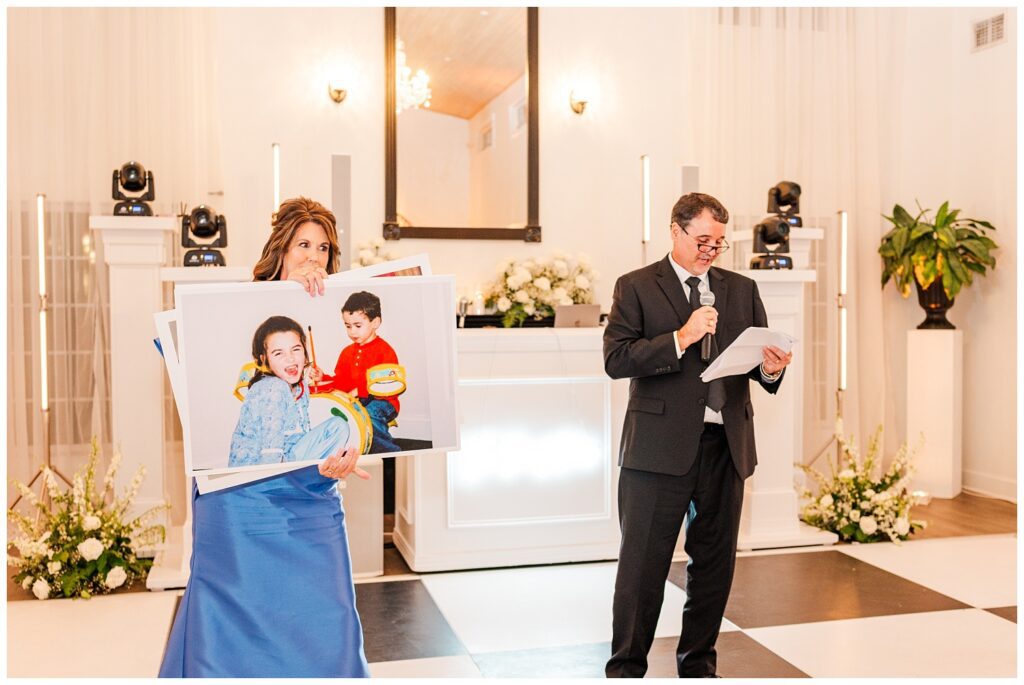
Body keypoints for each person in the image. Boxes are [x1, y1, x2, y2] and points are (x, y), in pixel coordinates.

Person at [159, 197, 371, 678]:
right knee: (233, 615)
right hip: (240, 494)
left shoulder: (332, 325)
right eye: (303, 245)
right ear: (280, 251)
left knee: (326, 612)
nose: (314, 256)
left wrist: (342, 452)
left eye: (323, 248)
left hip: (310, 492)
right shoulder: (235, 312)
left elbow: (333, 412)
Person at [603, 193, 793, 678]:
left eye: (719, 242)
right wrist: (680, 339)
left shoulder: (741, 288)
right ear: (676, 230)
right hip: (656, 449)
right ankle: (626, 667)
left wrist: (771, 368)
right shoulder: (637, 286)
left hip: (724, 446)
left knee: (713, 567)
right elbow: (617, 360)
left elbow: (756, 360)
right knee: (643, 568)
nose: (711, 250)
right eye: (703, 240)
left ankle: (698, 665)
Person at [228, 316, 350, 468]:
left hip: (290, 457)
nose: (290, 358)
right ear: (264, 359)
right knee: (338, 428)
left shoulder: (301, 386)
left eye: (296, 349)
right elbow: (270, 448)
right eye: (279, 353)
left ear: (305, 353)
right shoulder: (273, 388)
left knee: (338, 426)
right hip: (261, 468)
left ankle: (310, 473)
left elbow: (304, 431)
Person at [312, 291, 403, 454]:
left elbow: (387, 384)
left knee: (368, 416)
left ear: (375, 322)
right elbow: (340, 382)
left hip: (383, 400)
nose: (352, 332)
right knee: (338, 414)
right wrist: (323, 378)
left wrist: (359, 391)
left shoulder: (385, 351)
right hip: (355, 400)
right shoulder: (346, 352)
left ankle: (390, 451)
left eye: (358, 326)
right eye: (348, 326)